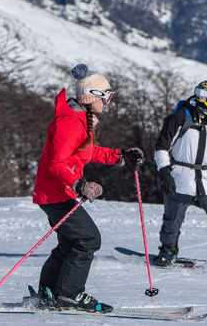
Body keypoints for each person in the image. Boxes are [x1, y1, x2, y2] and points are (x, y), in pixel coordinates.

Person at [32, 63, 144, 311]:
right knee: (88, 239)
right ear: (92, 96)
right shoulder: (71, 122)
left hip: (56, 192)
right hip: (56, 193)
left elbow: (87, 151)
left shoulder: (81, 119)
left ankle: (50, 292)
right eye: (107, 96)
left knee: (71, 242)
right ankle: (69, 293)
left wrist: (120, 156)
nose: (108, 102)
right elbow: (57, 163)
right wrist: (79, 183)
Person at [152, 80, 207, 272]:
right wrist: (165, 173)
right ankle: (168, 251)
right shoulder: (179, 118)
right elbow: (161, 147)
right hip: (180, 179)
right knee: (172, 219)